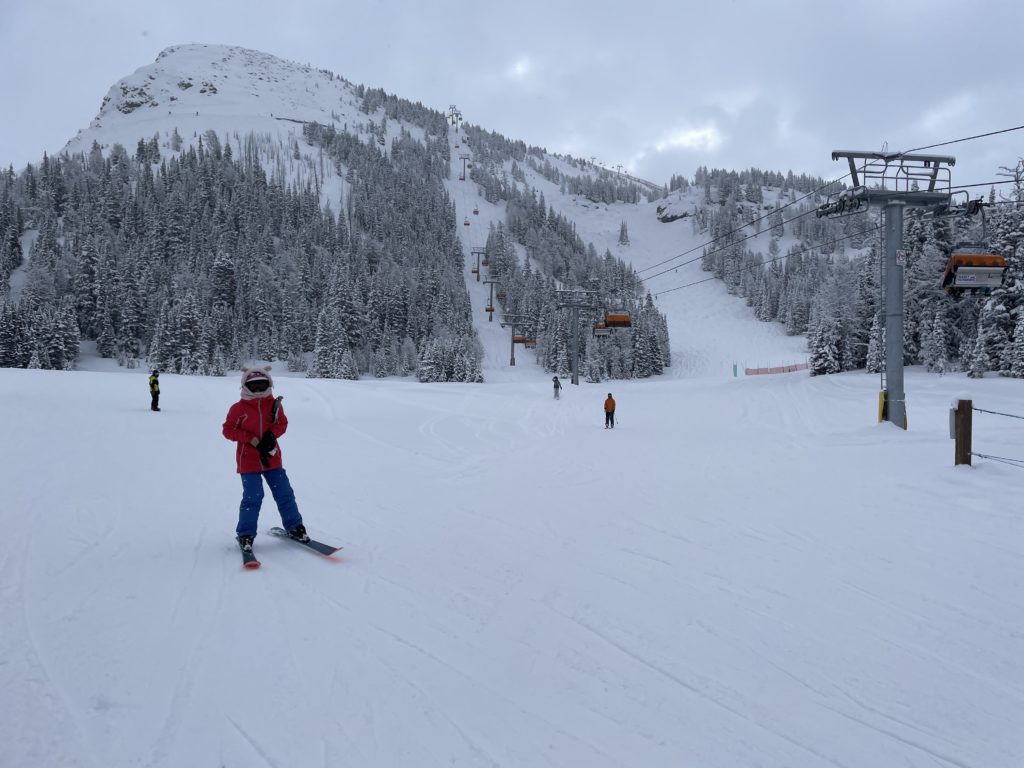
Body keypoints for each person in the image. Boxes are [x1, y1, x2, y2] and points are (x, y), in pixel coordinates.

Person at [222, 366, 308, 553]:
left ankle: (295, 527)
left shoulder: (274, 405)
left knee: (284, 493)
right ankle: (246, 534)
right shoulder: (238, 408)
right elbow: (228, 430)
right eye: (254, 386)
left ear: (269, 384)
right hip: (248, 461)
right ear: (245, 386)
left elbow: (282, 424)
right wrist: (251, 439)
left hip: (272, 459)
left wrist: (271, 435)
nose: (259, 389)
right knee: (253, 497)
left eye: (262, 385)